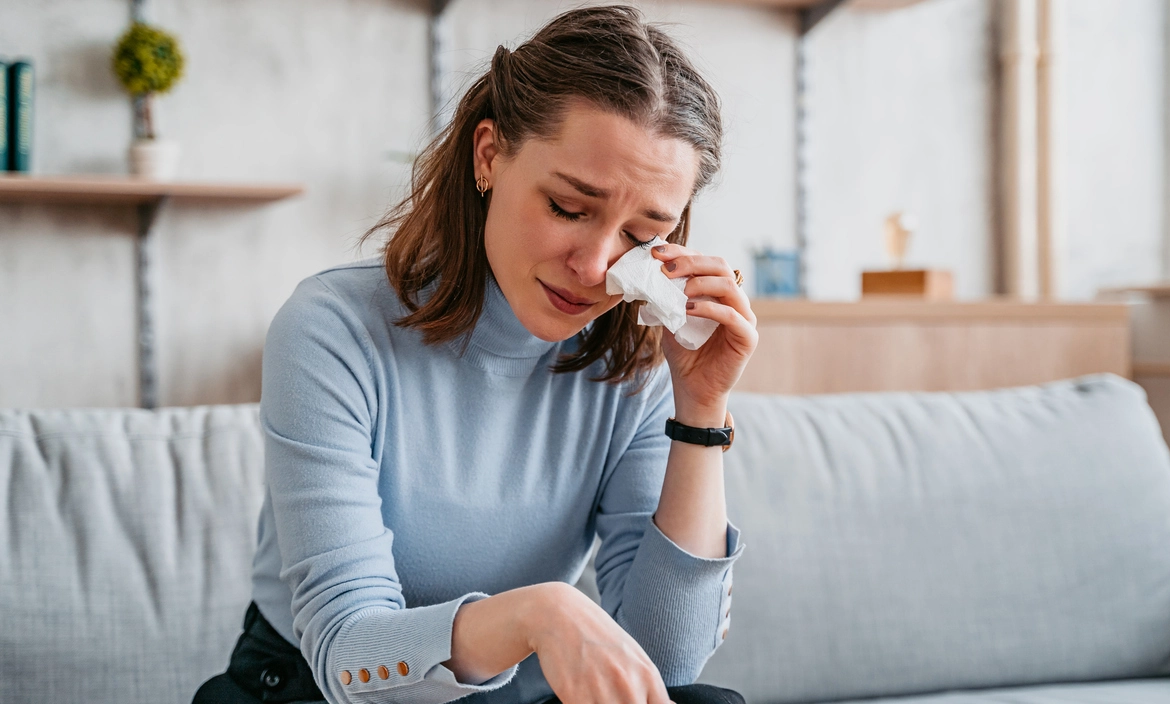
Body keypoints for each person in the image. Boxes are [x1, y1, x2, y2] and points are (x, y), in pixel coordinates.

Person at [193, 5, 757, 704]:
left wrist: (701, 410)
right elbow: (347, 653)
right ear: (489, 155)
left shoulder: (633, 370)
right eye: (568, 208)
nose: (595, 266)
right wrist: (538, 613)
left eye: (641, 233)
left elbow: (665, 665)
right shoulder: (332, 330)